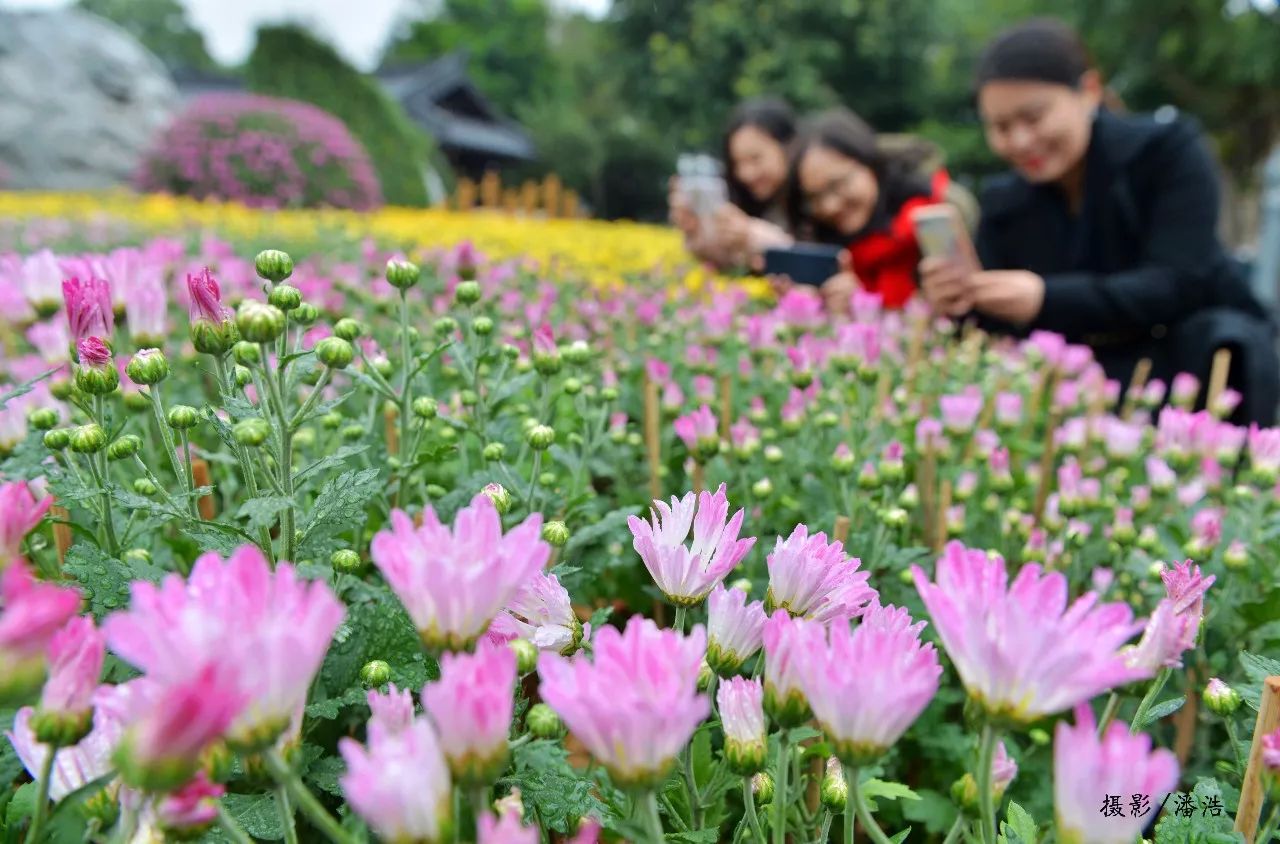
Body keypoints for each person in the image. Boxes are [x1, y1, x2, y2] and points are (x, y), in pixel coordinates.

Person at [921, 18, 1278, 424]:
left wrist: (1045, 298)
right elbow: (995, 322)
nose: (1019, 141)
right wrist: (961, 298)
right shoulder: (1006, 199)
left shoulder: (1168, 151)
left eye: (1034, 117)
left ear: (1089, 92)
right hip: (1074, 409)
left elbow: (1180, 280)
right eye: (1000, 127)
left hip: (1194, 389)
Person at [786, 108, 957, 313]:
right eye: (814, 197)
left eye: (837, 185)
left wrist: (864, 305)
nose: (830, 206)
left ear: (869, 163)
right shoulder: (821, 251)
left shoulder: (936, 219)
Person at [669, 98, 797, 272]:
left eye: (755, 158)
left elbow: (810, 261)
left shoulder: (814, 200)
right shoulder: (746, 201)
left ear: (788, 146)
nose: (746, 174)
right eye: (737, 163)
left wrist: (752, 235)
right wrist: (699, 230)